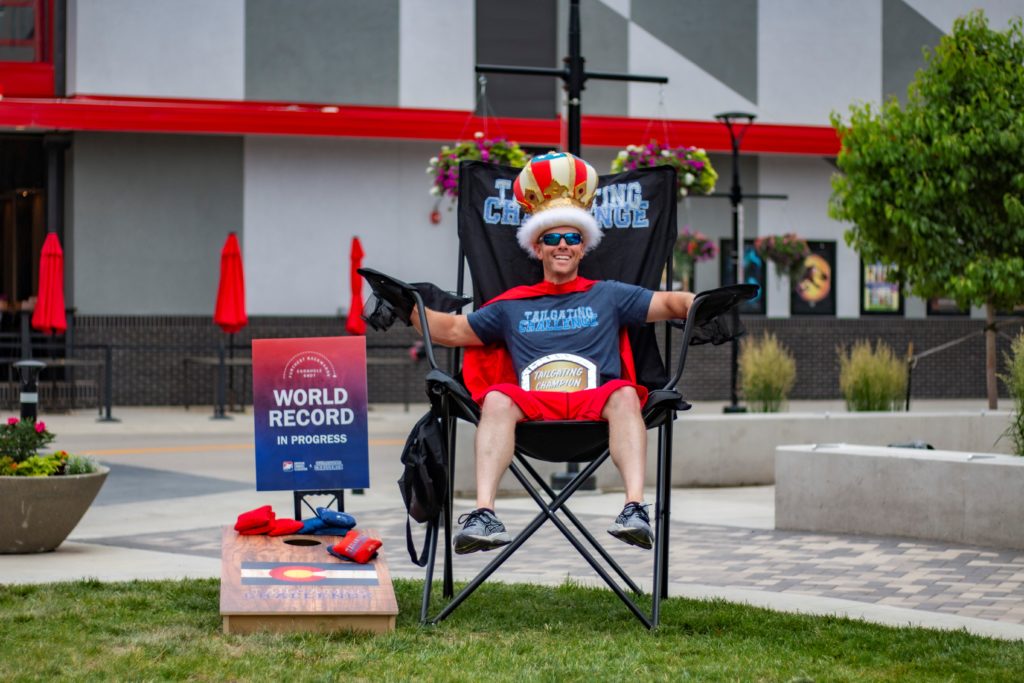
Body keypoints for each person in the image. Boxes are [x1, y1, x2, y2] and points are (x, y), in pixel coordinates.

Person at [412, 152, 694, 554]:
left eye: (572, 238)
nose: (563, 245)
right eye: (552, 238)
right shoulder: (513, 304)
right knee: (495, 397)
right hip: (535, 407)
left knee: (628, 392)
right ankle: (484, 515)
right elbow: (453, 331)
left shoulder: (609, 294)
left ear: (583, 247)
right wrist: (404, 305)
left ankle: (634, 509)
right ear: (538, 247)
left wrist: (702, 304)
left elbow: (669, 305)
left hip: (594, 404)